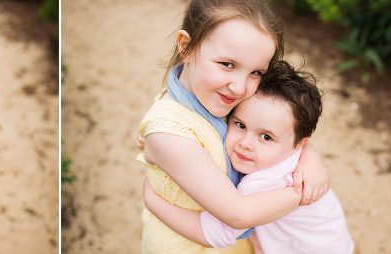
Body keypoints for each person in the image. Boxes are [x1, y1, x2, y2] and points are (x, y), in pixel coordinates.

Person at [136, 0, 331, 253]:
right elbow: (238, 215)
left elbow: (280, 127)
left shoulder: (215, 95)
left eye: (257, 73)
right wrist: (304, 190)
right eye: (227, 64)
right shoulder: (169, 135)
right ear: (186, 47)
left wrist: (309, 157)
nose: (240, 87)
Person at [144, 61, 354, 253]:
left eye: (265, 137)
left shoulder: (265, 182)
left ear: (299, 144)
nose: (245, 143)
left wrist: (153, 201)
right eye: (240, 125)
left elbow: (216, 233)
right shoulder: (290, 150)